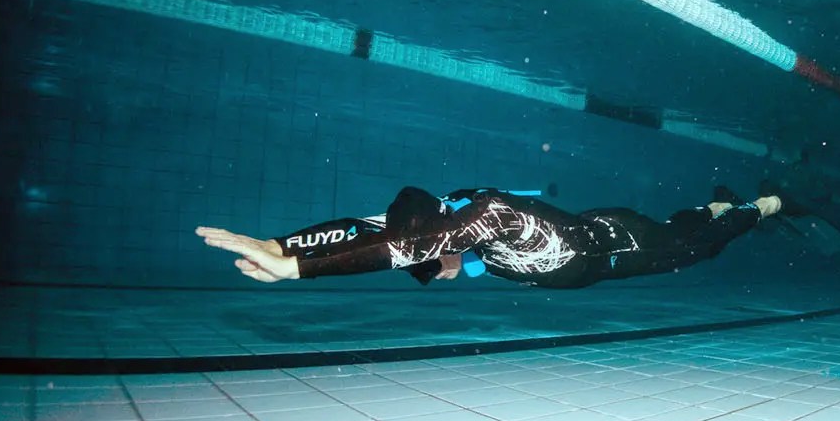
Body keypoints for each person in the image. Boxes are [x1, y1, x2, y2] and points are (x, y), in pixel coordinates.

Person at [196, 185, 792, 290]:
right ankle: (708, 207)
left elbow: (400, 248)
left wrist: (300, 271)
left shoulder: (494, 215)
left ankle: (755, 208)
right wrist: (283, 245)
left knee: (695, 249)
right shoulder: (446, 230)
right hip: (589, 266)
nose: (442, 265)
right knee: (682, 232)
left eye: (439, 257)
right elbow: (369, 230)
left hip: (615, 243)